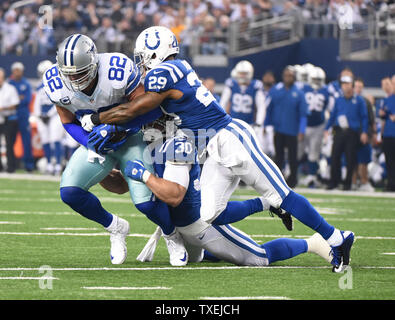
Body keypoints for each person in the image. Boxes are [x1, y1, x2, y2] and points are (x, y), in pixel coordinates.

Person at [82, 26, 355, 272]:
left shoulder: (163, 73)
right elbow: (146, 114)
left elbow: (135, 109)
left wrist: (96, 119)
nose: (141, 62)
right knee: (207, 213)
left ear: (155, 53)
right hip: (211, 147)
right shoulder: (175, 69)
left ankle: (336, 238)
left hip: (230, 139)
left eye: (143, 56)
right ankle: (266, 205)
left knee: (282, 193)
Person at [43, 34, 186, 266]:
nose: (73, 79)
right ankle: (116, 227)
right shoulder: (54, 81)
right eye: (68, 74)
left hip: (131, 137)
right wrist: (90, 142)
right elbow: (68, 121)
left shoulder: (117, 69)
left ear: (94, 63)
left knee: (145, 203)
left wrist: (114, 127)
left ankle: (172, 235)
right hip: (98, 143)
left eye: (79, 72)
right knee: (69, 192)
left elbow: (149, 110)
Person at [124, 124, 333, 267]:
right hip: (186, 224)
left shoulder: (179, 143)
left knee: (257, 258)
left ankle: (312, 243)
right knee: (203, 244)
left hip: (197, 224)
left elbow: (174, 195)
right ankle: (267, 204)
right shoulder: (151, 143)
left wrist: (143, 175)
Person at [264, 66, 308, 188]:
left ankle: (293, 180)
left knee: (293, 157)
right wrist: (266, 125)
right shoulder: (276, 91)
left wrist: (301, 130)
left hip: (292, 130)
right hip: (278, 129)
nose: (287, 78)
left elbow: (303, 114)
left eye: (290, 76)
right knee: (278, 157)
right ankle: (277, 180)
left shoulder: (299, 93)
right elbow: (269, 109)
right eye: (286, 75)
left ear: (294, 77)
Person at [324, 75, 369, 191]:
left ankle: (348, 183)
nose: (346, 87)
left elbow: (364, 117)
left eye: (348, 84)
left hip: (352, 132)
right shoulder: (338, 100)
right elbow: (333, 115)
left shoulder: (359, 100)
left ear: (352, 85)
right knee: (335, 156)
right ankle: (334, 181)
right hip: (339, 131)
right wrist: (326, 129)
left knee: (350, 158)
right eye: (343, 84)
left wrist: (364, 132)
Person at [219, 60, 266, 152]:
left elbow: (261, 107)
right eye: (241, 73)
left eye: (245, 73)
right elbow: (223, 103)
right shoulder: (231, 84)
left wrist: (259, 123)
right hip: (233, 124)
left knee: (251, 151)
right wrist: (221, 120)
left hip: (250, 125)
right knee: (231, 151)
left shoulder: (256, 86)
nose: (242, 76)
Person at [299, 66, 333, 188]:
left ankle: (312, 176)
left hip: (319, 126)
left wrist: (328, 127)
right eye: (314, 79)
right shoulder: (303, 88)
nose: (317, 82)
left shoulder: (326, 91)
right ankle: (294, 174)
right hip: (304, 125)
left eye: (319, 79)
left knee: (314, 152)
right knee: (298, 151)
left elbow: (331, 109)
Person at [34, 60, 64, 175]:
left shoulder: (58, 83)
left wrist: (49, 114)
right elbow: (37, 102)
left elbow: (58, 101)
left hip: (54, 115)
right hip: (42, 116)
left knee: (55, 139)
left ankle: (57, 164)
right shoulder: (39, 86)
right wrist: (39, 115)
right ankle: (49, 163)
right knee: (45, 140)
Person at [8, 62, 35, 172]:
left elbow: (27, 99)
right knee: (10, 141)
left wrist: (15, 100)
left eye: (19, 70)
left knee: (26, 140)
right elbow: (8, 100)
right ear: (12, 71)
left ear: (22, 71)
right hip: (11, 116)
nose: (17, 72)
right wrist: (17, 98)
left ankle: (29, 165)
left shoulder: (26, 84)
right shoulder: (9, 84)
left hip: (23, 115)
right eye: (15, 70)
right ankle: (12, 164)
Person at [352, 77, 377, 192]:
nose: (358, 89)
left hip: (364, 135)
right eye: (356, 86)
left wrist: (372, 134)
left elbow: (371, 120)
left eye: (360, 87)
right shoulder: (348, 99)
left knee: (364, 160)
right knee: (352, 160)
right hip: (352, 135)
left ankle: (364, 181)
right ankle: (352, 182)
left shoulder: (366, 101)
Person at [0, 68, 20, 173]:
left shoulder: (10, 88)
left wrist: (3, 108)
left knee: (9, 144)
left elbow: (15, 105)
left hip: (9, 119)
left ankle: (11, 167)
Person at [379, 84, 395, 191]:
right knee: (389, 161)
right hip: (388, 134)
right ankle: (391, 183)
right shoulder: (387, 99)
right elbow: (383, 117)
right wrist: (381, 133)